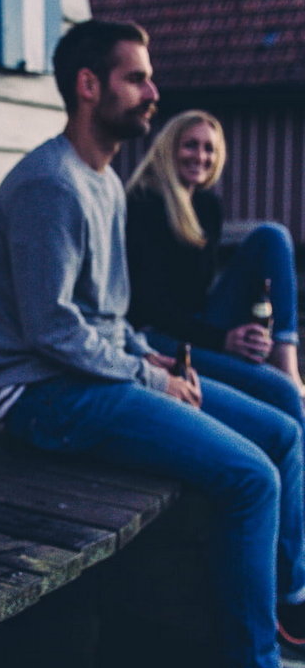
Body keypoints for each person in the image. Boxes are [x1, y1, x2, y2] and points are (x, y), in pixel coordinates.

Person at [0, 19, 305, 668]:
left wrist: (153, 362)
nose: (154, 92)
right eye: (138, 78)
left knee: (281, 431)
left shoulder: (103, 184)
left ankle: (284, 602)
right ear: (89, 87)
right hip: (41, 396)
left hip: (92, 374)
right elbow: (51, 332)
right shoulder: (47, 185)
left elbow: (110, 316)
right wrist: (147, 380)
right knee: (252, 479)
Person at [125, 110, 305, 443]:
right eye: (190, 145)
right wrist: (223, 340)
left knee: (271, 236)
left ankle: (285, 359)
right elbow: (149, 307)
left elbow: (199, 295)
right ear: (168, 148)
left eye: (209, 148)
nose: (201, 156)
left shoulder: (206, 206)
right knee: (282, 395)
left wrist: (249, 331)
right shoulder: (144, 203)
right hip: (155, 337)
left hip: (197, 323)